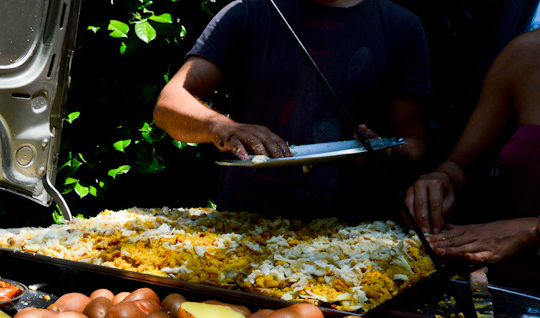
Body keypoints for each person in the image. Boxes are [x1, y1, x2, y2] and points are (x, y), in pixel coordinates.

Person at [153, 0, 431, 220]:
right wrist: (222, 127)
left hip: (358, 243)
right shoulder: (248, 12)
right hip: (244, 234)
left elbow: (415, 144)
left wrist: (384, 149)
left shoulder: (399, 26)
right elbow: (168, 106)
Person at [404, 19, 540, 298]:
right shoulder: (524, 53)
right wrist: (439, 181)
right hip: (516, 297)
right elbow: (461, 167)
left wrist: (537, 228)